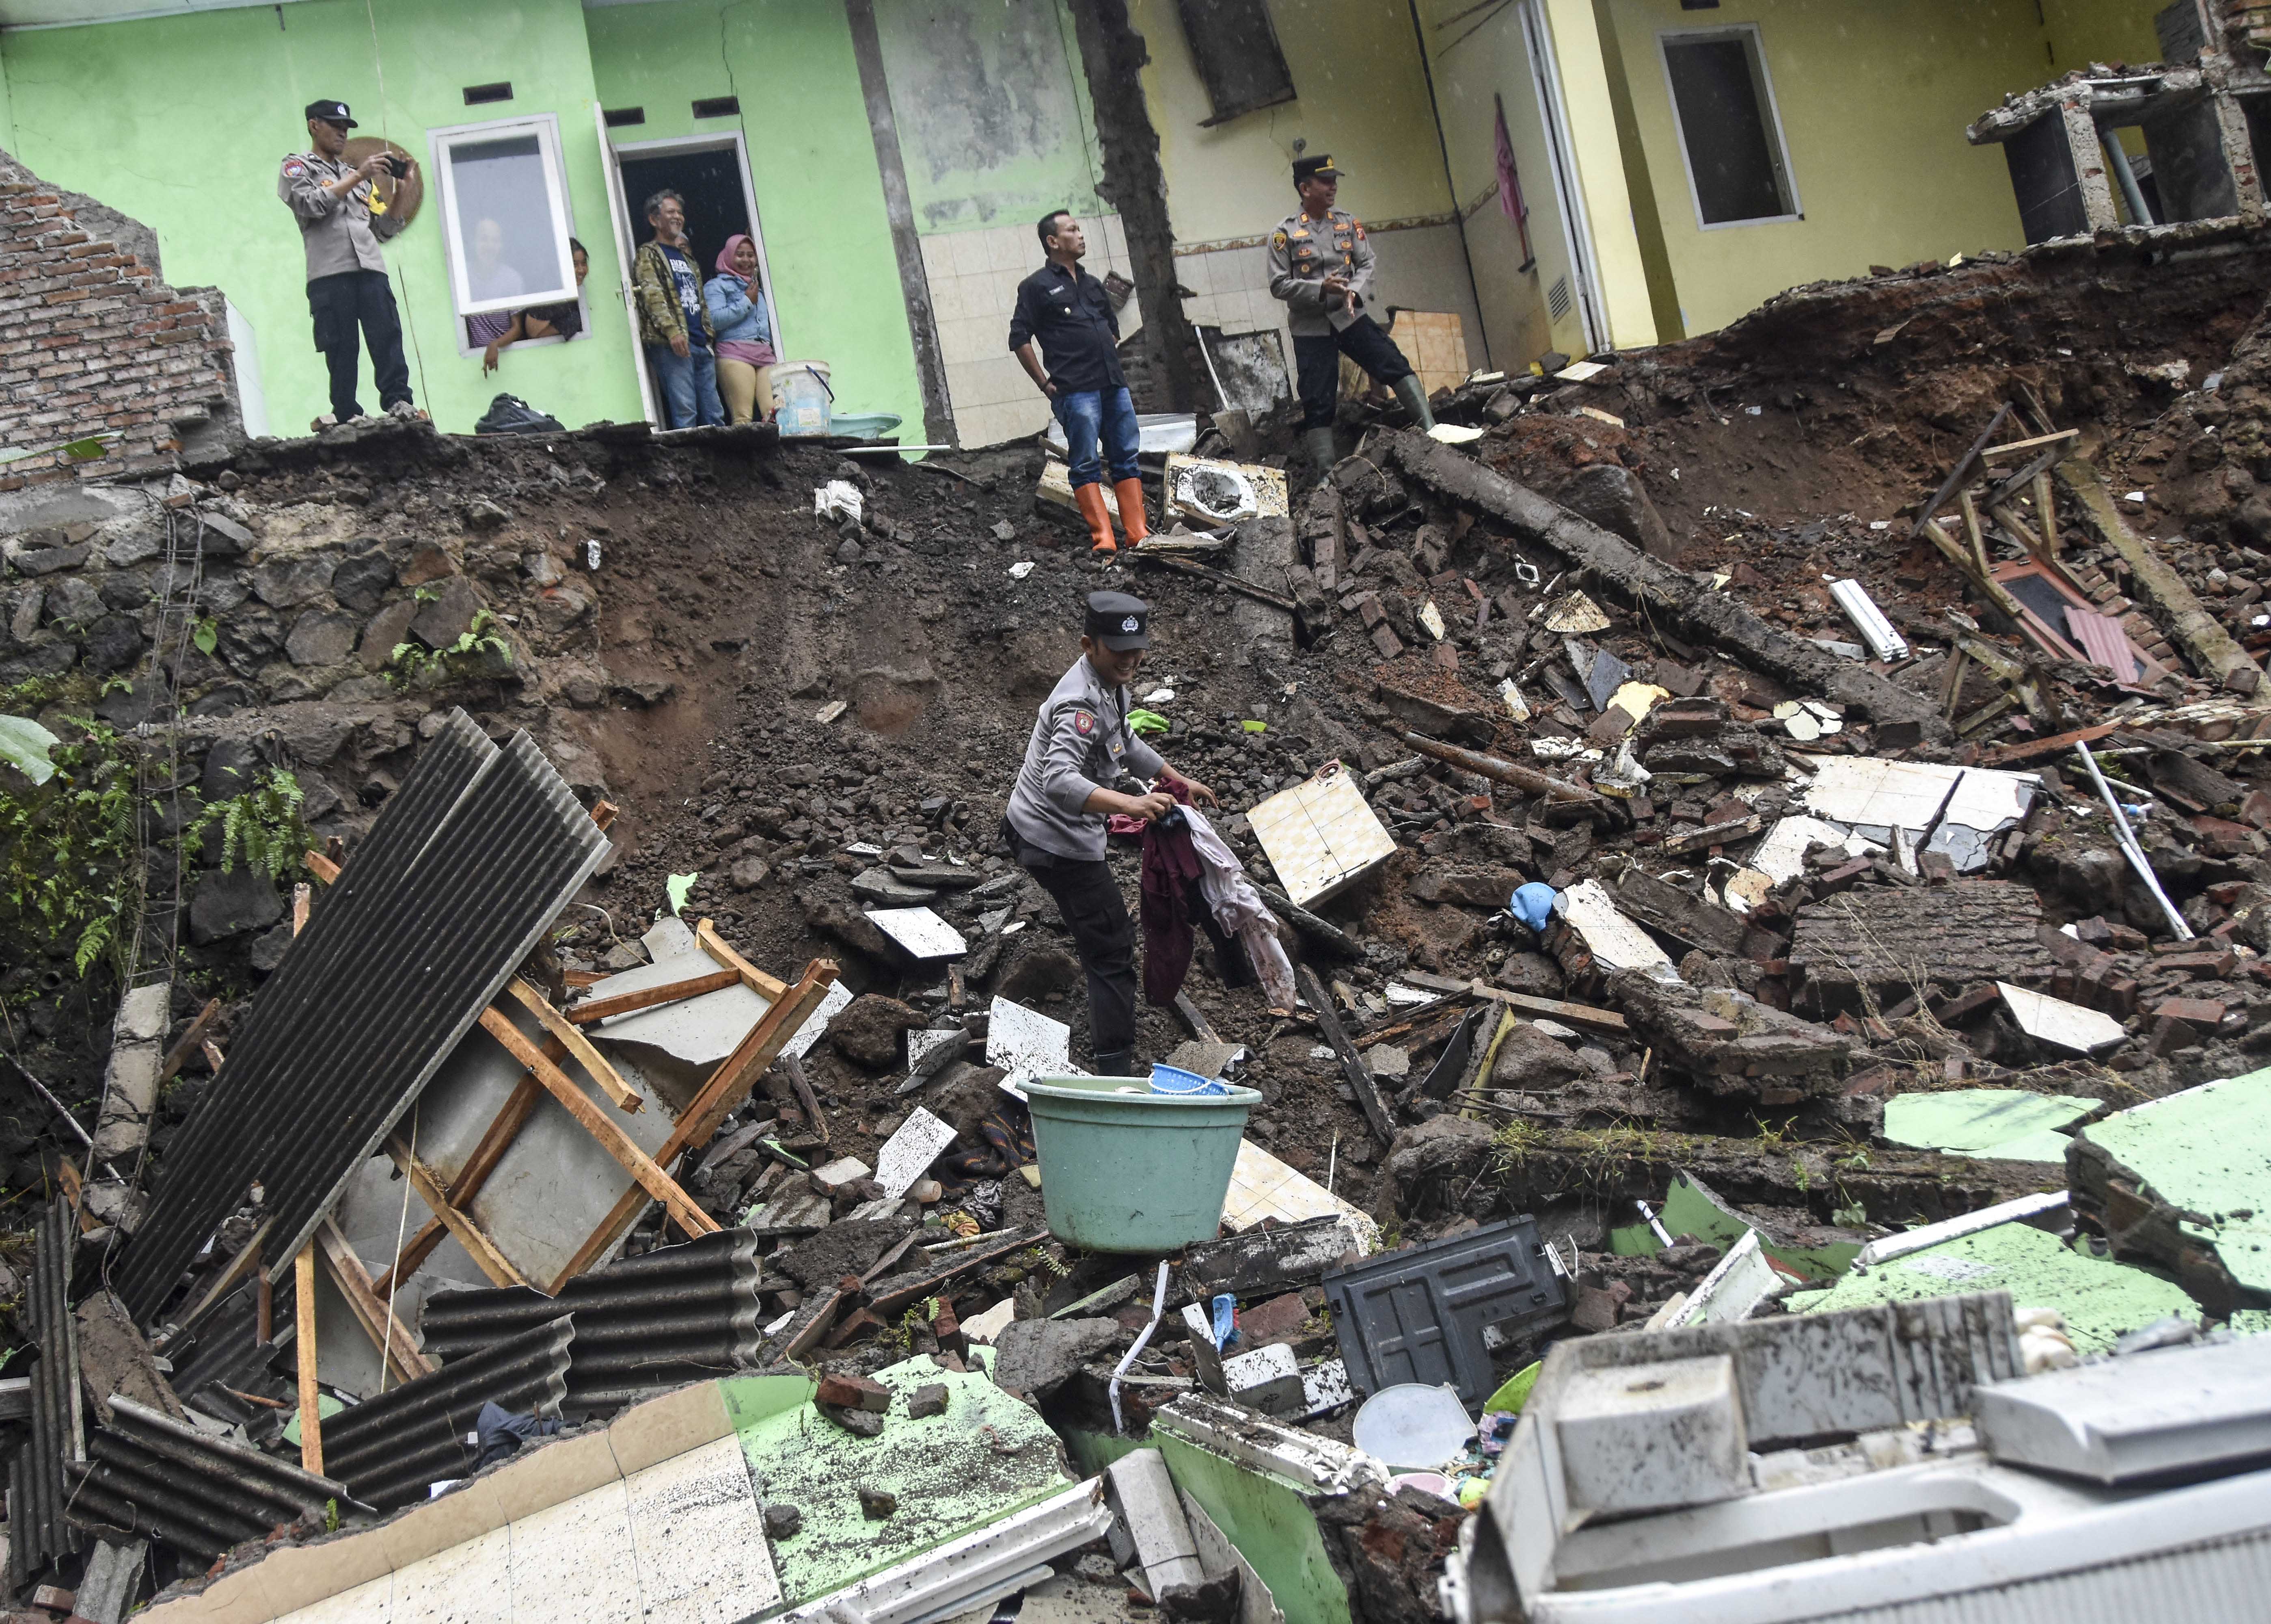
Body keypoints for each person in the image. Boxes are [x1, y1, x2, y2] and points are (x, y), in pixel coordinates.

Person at [1002, 592, 1217, 1077]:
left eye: (1136, 649)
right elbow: (1058, 780)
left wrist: (1177, 780)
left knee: (1101, 932)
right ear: (1088, 645)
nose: (1131, 659)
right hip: (1052, 841)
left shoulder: (1110, 683)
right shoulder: (1077, 702)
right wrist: (1132, 805)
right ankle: (1113, 1069)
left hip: (1047, 829)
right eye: (1119, 649)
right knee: (1112, 947)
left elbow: (1125, 740)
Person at [1266, 154, 1434, 477]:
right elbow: (1278, 285)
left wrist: (1354, 291)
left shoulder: (1347, 223)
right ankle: (1327, 476)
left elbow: (1367, 262)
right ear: (1305, 188)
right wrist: (1320, 288)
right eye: (1325, 181)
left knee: (1392, 362)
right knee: (1318, 399)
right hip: (1311, 327)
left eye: (1334, 180)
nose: (1333, 187)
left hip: (1349, 316)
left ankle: (1431, 431)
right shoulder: (1283, 234)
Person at [277, 98, 425, 431]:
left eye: (346, 128)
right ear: (314, 125)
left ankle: (400, 402)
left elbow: (383, 230)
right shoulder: (298, 168)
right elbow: (311, 205)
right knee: (341, 346)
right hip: (330, 272)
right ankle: (346, 412)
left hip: (370, 267)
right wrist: (359, 174)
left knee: (387, 336)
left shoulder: (357, 178)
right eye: (335, 126)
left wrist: (402, 192)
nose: (343, 134)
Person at [1010, 211, 1148, 555]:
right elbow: (1019, 339)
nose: (1081, 235)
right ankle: (1104, 539)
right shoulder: (1036, 287)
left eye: (1079, 229)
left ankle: (1138, 535)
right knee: (1085, 462)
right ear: (1053, 242)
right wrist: (1044, 384)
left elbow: (1111, 329)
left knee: (1126, 458)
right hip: (1075, 390)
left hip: (1113, 385)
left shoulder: (1091, 284)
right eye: (1072, 230)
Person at [632, 191, 724, 429]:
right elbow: (654, 296)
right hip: (672, 344)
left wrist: (708, 335)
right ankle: (690, 465)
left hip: (699, 342)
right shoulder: (649, 254)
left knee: (714, 412)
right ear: (654, 220)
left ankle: (724, 464)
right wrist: (673, 332)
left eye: (680, 213)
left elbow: (700, 300)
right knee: (686, 412)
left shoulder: (688, 259)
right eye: (670, 212)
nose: (678, 217)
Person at [481, 239, 590, 375]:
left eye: (584, 264)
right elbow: (533, 334)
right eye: (574, 265)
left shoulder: (574, 294)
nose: (581, 270)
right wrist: (569, 324)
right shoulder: (551, 296)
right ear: (561, 265)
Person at [704, 234, 777, 424]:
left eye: (750, 255)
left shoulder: (761, 288)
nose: (746, 260)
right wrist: (746, 302)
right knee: (743, 417)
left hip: (765, 356)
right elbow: (714, 320)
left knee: (774, 415)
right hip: (735, 354)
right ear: (728, 256)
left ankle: (773, 455)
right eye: (740, 255)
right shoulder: (716, 286)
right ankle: (744, 454)